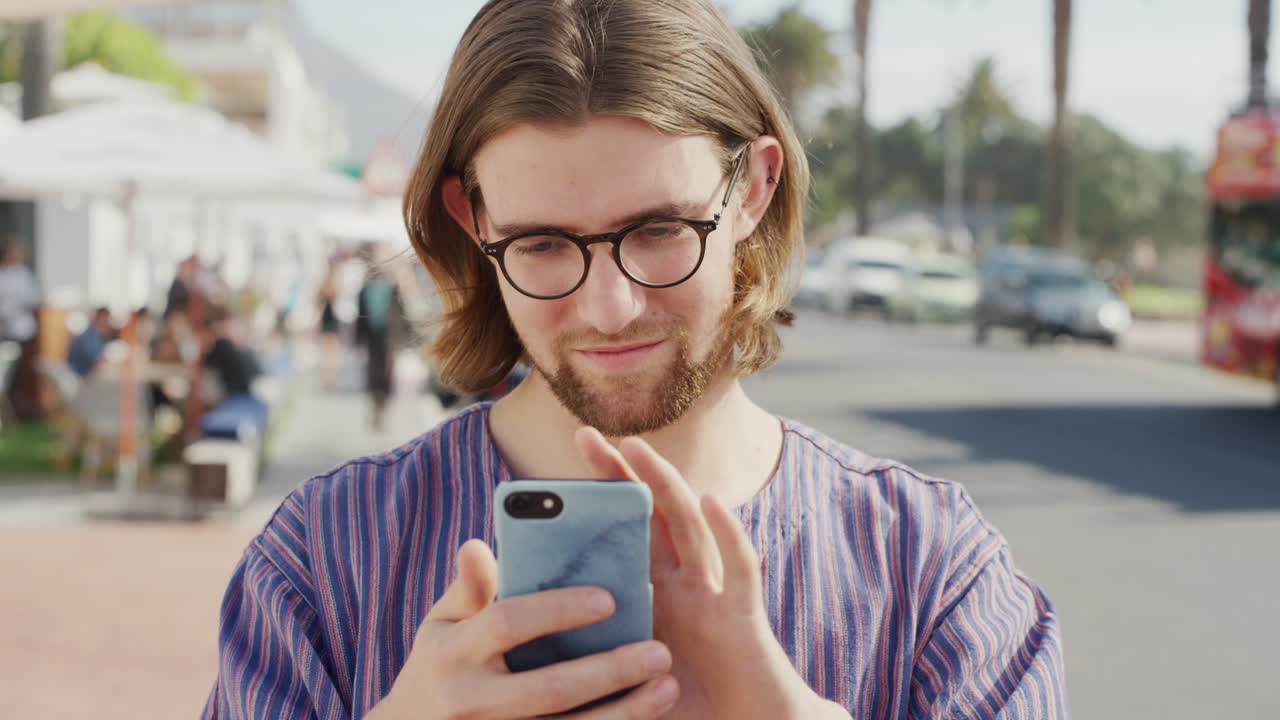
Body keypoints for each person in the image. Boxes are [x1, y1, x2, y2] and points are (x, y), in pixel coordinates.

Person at [202, 2, 1068, 718]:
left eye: (659, 230)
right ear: (472, 219)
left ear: (753, 189)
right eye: (542, 245)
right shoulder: (319, 565)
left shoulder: (936, 576)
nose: (609, 308)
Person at [354, 250, 406, 431]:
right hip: (375, 337)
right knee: (377, 371)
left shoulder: (391, 288)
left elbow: (400, 313)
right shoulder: (366, 290)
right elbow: (361, 316)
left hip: (386, 336)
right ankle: (377, 407)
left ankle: (380, 407)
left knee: (382, 372)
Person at [0, 238, 40, 344]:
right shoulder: (2, 274)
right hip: (3, 326)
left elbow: (32, 299)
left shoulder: (25, 275)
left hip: (21, 327)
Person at [66, 307, 115, 377]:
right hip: (76, 376)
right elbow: (95, 359)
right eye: (107, 319)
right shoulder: (88, 336)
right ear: (99, 318)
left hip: (84, 375)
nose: (108, 323)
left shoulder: (99, 336)